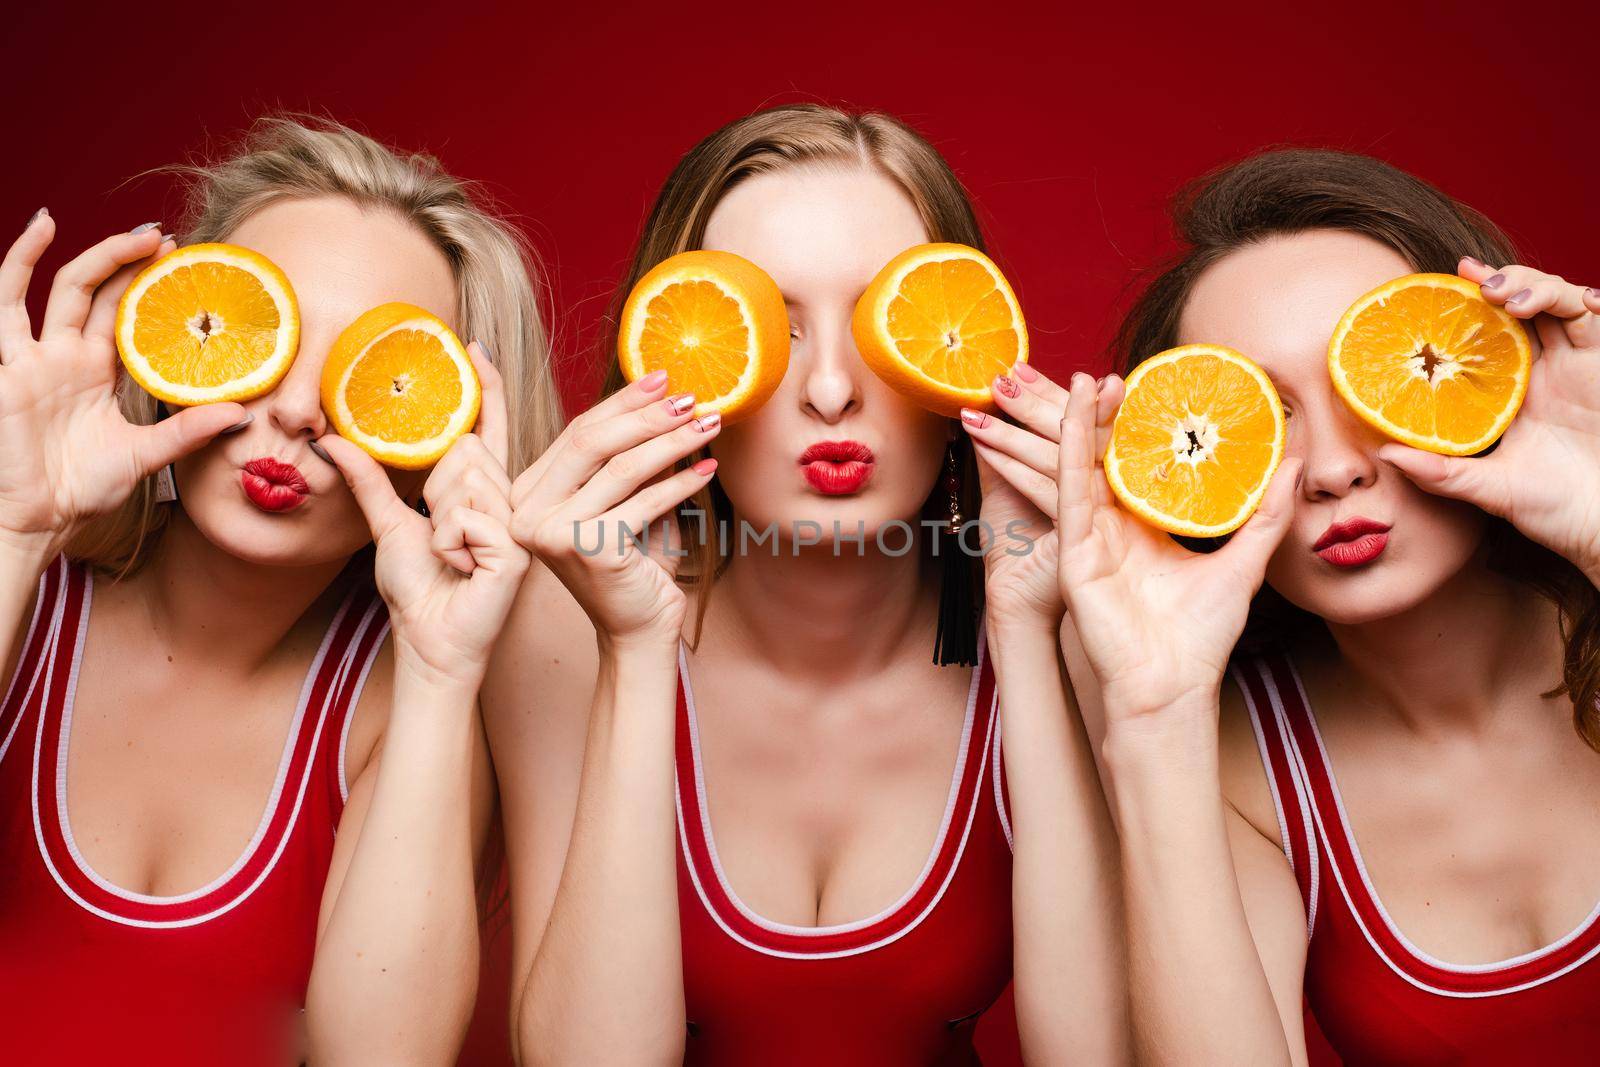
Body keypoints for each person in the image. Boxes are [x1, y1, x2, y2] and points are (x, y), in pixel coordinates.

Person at [487, 104, 1126, 1065]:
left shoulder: (1085, 620)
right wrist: (633, 645)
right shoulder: (558, 623)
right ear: (667, 365)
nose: (830, 389)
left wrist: (1028, 633)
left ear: (968, 362)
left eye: (882, 325)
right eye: (767, 331)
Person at [0, 117, 559, 1065]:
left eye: (370, 373)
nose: (297, 410)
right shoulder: (26, 596)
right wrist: (14, 529)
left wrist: (439, 666)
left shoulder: (398, 711)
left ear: (450, 435)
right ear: (174, 340)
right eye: (263, 332)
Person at [1053, 148, 1600, 1064]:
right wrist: (1155, 715)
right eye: (1265, 415)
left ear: (1497, 377)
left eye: (1382, 376)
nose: (1334, 470)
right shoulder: (1242, 768)